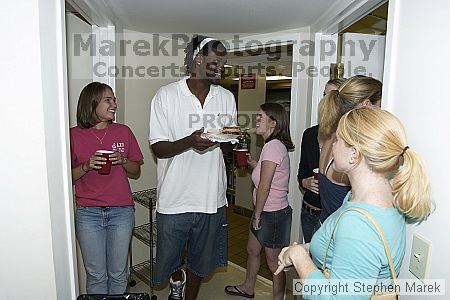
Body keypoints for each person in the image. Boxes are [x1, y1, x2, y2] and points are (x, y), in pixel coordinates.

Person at [275, 108, 433, 299]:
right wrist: (305, 248)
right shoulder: (371, 196)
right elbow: (342, 248)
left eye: (337, 140)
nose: (332, 146)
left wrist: (298, 256)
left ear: (354, 154)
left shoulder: (359, 224)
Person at [149, 35, 237, 300]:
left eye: (224, 61)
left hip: (211, 198)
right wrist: (190, 141)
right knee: (171, 260)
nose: (222, 65)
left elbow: (228, 143)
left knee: (201, 262)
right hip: (175, 198)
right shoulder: (166, 95)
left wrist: (231, 140)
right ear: (198, 59)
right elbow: (158, 147)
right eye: (216, 60)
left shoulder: (225, 97)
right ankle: (177, 286)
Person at [70, 82, 144, 294]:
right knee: (95, 274)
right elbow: (65, 178)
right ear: (91, 103)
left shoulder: (123, 132)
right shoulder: (72, 135)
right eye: (108, 100)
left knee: (118, 273)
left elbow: (135, 170)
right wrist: (85, 166)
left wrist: (122, 159)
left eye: (114, 100)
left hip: (121, 211)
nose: (114, 104)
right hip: (88, 213)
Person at [224, 103, 295, 300]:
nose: (256, 119)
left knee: (275, 263)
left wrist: (256, 215)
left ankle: (278, 298)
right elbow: (266, 173)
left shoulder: (273, 147)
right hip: (265, 212)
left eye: (260, 117)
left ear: (273, 123)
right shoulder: (271, 146)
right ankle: (248, 287)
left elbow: (264, 186)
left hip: (271, 215)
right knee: (252, 249)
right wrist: (252, 163)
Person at [317, 75, 382, 222]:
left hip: (323, 227)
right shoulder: (352, 149)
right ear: (366, 104)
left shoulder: (332, 136)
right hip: (337, 237)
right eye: (380, 105)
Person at [298, 78, 346, 243]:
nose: (326, 101)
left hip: (331, 219)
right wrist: (304, 182)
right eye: (324, 95)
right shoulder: (310, 134)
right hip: (308, 212)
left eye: (332, 95)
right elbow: (302, 170)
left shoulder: (346, 140)